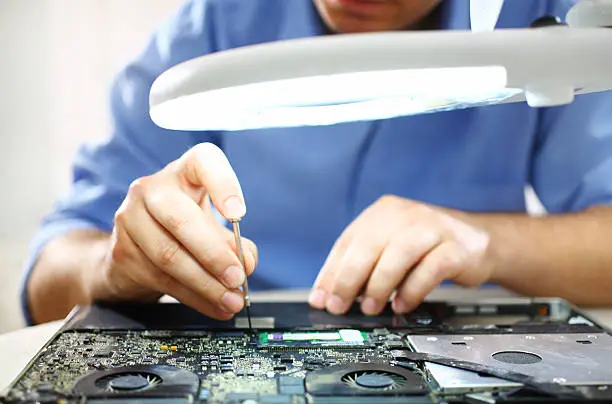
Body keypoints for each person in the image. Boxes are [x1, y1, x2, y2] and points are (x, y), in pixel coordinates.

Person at [22, 0, 612, 325]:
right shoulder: (214, 25)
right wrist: (114, 267)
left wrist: (484, 243)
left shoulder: (548, 24)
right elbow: (45, 287)